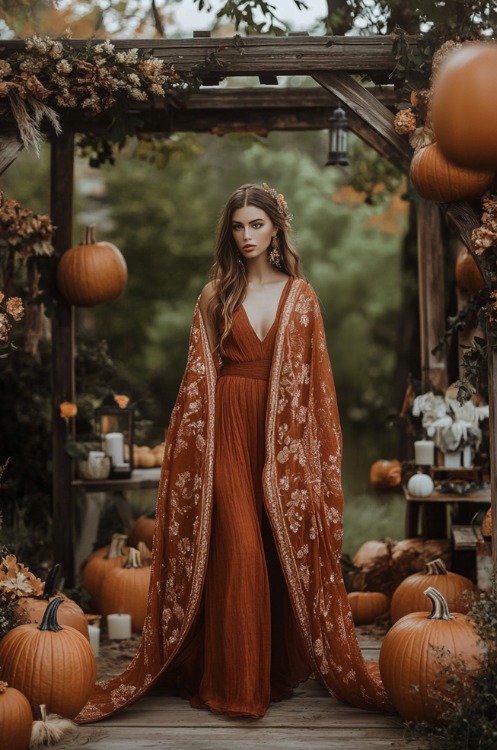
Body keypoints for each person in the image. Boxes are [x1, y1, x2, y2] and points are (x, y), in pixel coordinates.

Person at [77, 183, 390, 724]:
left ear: (276, 230)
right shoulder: (214, 295)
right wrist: (190, 451)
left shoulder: (302, 295)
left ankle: (266, 673)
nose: (246, 236)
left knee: (271, 546)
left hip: (280, 437)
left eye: (257, 225)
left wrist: (312, 459)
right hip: (223, 430)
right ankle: (233, 685)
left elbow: (318, 386)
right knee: (240, 545)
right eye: (238, 226)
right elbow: (197, 382)